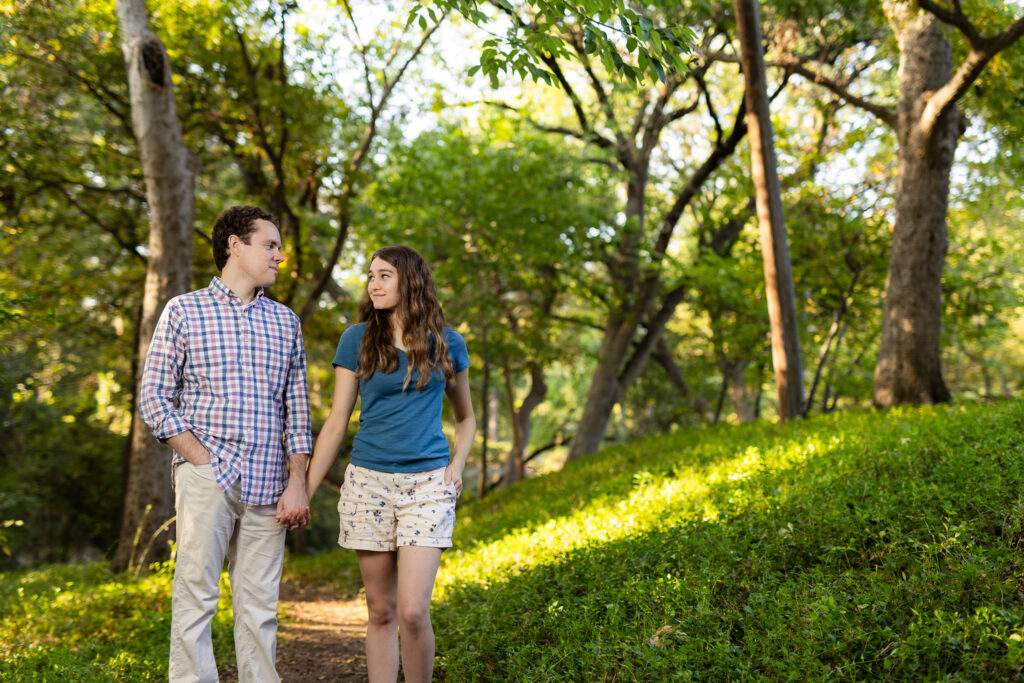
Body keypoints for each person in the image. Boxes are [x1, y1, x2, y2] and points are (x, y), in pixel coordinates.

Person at [139, 205, 312, 683]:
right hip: (207, 477)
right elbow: (154, 399)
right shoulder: (184, 310)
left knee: (260, 607)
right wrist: (202, 462)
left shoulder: (286, 323)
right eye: (270, 245)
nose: (279, 256)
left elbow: (296, 413)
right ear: (234, 244)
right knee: (196, 596)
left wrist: (297, 482)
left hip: (270, 483)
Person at [305, 245, 476, 683]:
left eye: (384, 275)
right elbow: (337, 420)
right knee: (381, 610)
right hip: (368, 484)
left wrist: (457, 464)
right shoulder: (356, 339)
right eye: (370, 276)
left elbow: (466, 418)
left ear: (409, 281)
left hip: (428, 485)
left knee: (413, 611)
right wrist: (303, 491)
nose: (373, 283)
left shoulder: (448, 344)